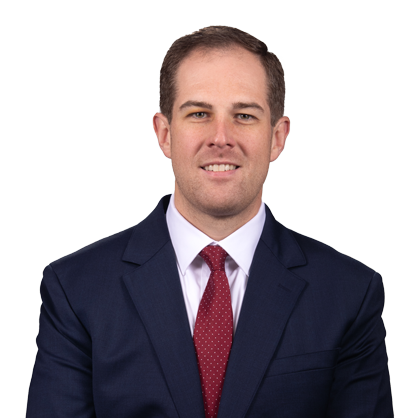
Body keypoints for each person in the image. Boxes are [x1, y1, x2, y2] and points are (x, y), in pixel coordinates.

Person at [26, 25, 394, 417]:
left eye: (244, 115)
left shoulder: (349, 294)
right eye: (199, 114)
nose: (221, 137)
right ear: (165, 134)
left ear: (277, 137)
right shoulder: (76, 290)